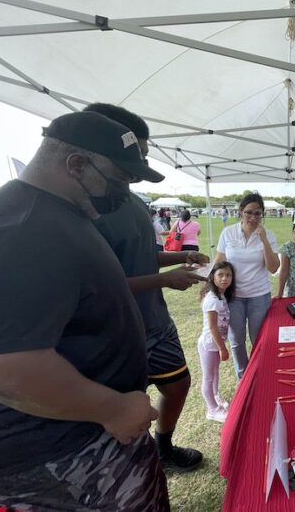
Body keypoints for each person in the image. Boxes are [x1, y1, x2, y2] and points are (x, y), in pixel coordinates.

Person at [0, 111, 169, 509]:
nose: (125, 192)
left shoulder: (53, 212)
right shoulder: (21, 229)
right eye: (119, 179)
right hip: (61, 454)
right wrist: (113, 408)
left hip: (81, 441)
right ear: (76, 164)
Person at [85, 103, 205, 472]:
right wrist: (166, 280)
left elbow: (141, 255)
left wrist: (178, 261)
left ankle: (163, 448)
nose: (140, 168)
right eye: (136, 156)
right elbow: (100, 283)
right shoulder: (89, 208)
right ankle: (132, 463)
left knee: (178, 385)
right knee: (128, 405)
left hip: (156, 321)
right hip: (118, 331)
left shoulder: (132, 201)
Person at [213, 193, 279, 378]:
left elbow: (273, 267)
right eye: (249, 212)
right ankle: (243, 378)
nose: (253, 217)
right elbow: (219, 261)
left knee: (259, 340)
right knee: (236, 340)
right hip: (233, 296)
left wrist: (264, 239)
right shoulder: (228, 232)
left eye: (258, 213)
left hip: (259, 296)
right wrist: (212, 288)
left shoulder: (269, 235)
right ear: (241, 211)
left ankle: (260, 375)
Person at [198, 261, 235, 423]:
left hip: (215, 344)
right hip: (209, 344)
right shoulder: (212, 299)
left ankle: (215, 397)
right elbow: (212, 327)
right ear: (212, 277)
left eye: (228, 275)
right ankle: (211, 409)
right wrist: (222, 348)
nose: (224, 278)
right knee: (208, 377)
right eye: (220, 275)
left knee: (215, 373)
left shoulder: (220, 295)